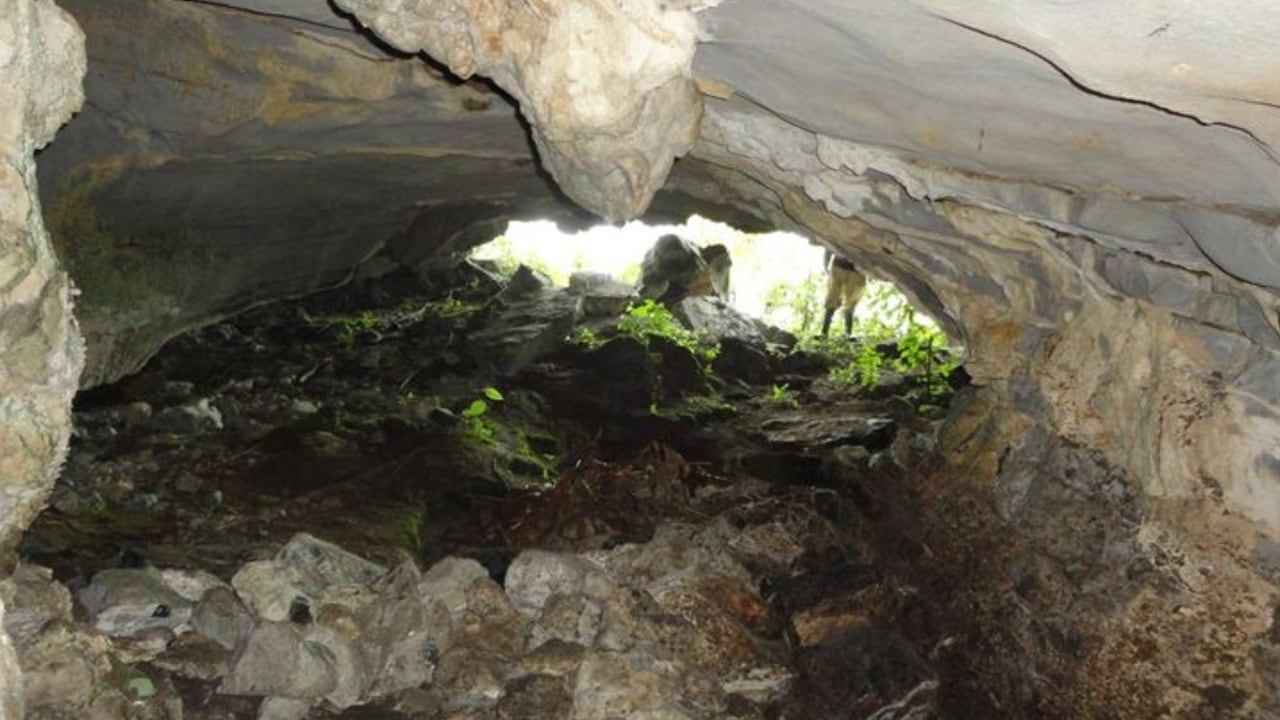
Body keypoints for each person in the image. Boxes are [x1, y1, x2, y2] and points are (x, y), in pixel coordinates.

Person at [820, 250, 866, 338]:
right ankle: (824, 332)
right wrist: (826, 263)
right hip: (839, 266)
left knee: (851, 302)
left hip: (856, 270)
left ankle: (848, 333)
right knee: (832, 298)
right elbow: (830, 245)